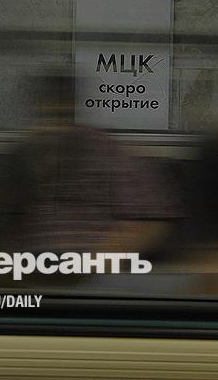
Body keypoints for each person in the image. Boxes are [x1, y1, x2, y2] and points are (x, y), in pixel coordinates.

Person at [10, 73, 179, 265]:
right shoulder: (22, 157)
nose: (56, 129)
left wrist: (99, 260)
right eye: (49, 118)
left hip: (93, 263)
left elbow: (151, 222)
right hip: (34, 263)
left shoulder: (107, 153)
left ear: (74, 111)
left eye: (62, 117)